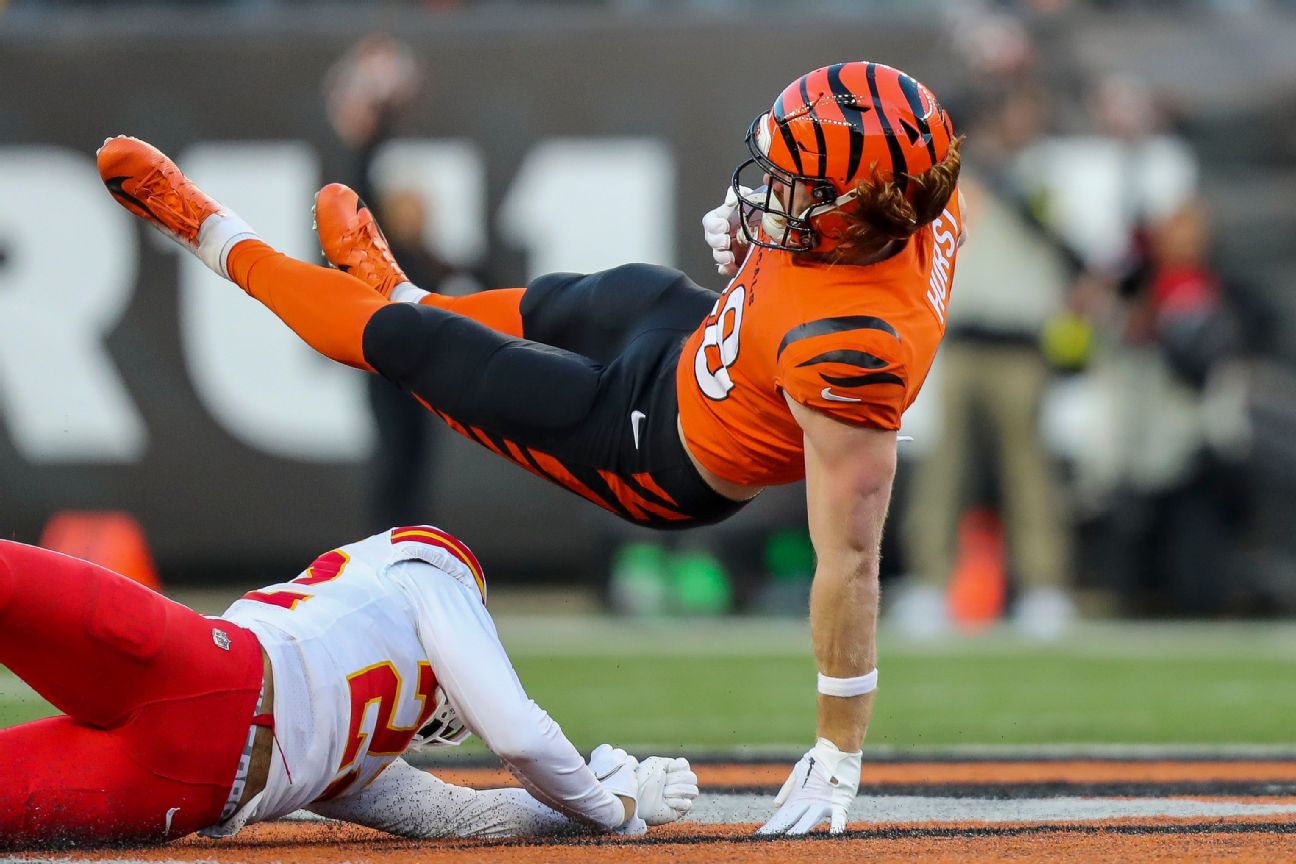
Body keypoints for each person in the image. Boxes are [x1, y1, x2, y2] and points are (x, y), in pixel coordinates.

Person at [98, 59, 962, 835]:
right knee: (612, 293)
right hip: (699, 346)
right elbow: (826, 237)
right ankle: (405, 290)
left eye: (797, 185)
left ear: (854, 216)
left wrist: (838, 753)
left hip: (655, 452)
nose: (771, 190)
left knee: (417, 352)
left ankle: (212, 235)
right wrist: (753, 252)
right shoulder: (916, 188)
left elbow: (849, 560)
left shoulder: (857, 348)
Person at [0, 530, 697, 847]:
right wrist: (612, 807)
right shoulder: (431, 580)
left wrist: (609, 797)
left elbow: (461, 817)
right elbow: (508, 745)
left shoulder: (358, 745)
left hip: (196, 668)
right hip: (191, 776)